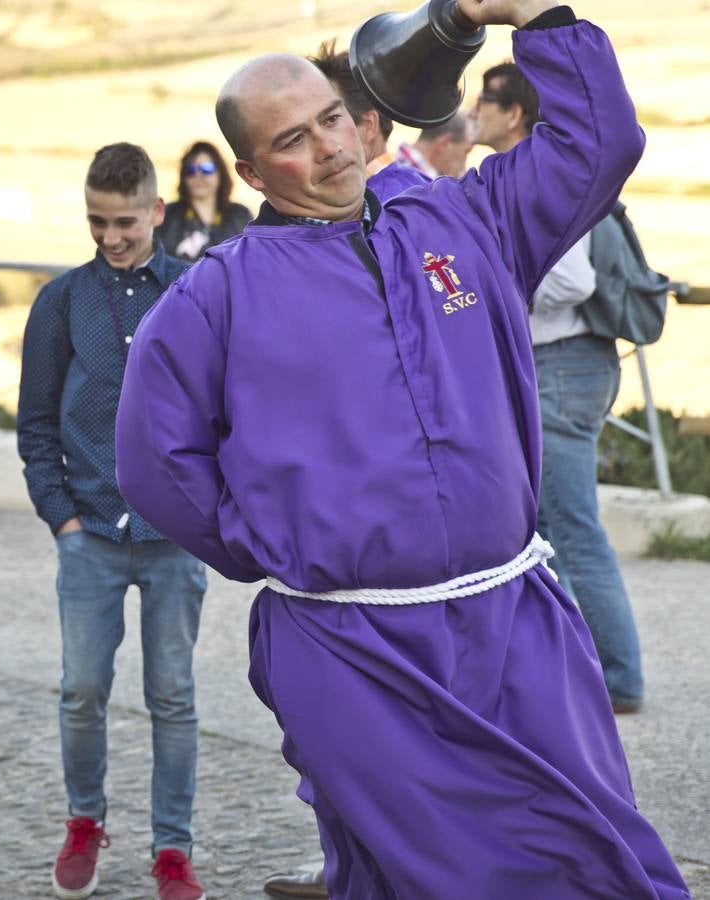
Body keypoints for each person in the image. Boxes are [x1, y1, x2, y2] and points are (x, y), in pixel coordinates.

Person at [115, 2, 689, 897]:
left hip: (516, 626)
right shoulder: (213, 299)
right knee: (429, 876)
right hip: (353, 649)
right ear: (251, 169)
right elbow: (156, 461)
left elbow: (601, 141)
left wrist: (534, 17)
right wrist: (276, 546)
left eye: (335, 119)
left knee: (597, 852)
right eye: (295, 139)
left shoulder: (470, 225)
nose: (331, 148)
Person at [17, 142, 207, 900]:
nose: (110, 237)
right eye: (97, 222)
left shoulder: (195, 292)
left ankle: (173, 849)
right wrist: (61, 520)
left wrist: (206, 513)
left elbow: (223, 412)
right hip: (89, 536)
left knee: (174, 696)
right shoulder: (60, 302)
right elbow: (35, 425)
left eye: (125, 221)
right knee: (81, 691)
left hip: (173, 539)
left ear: (157, 212)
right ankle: (85, 821)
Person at [474, 59, 645, 713]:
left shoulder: (539, 177)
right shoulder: (524, 174)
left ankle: (622, 679)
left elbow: (573, 280)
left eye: (488, 99)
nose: (477, 110)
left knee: (571, 528)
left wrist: (503, 289)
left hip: (565, 365)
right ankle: (574, 669)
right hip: (563, 364)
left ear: (515, 113)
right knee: (551, 525)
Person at [309, 40, 432, 200]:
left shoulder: (378, 207)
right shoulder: (417, 183)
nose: (324, 148)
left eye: (331, 121)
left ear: (369, 126)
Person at [158, 141, 253, 261]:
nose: (198, 175)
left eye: (206, 169)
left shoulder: (240, 215)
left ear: (220, 173)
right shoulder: (167, 215)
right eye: (191, 170)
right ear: (183, 177)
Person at [394, 112, 474, 178]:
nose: (464, 166)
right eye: (466, 152)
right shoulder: (424, 185)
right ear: (444, 144)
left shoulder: (391, 166)